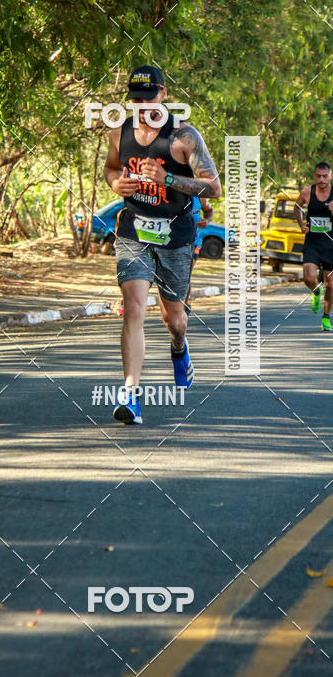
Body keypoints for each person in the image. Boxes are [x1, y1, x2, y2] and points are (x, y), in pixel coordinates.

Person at [103, 65, 221, 425]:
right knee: (135, 305)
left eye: (148, 97)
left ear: (163, 94)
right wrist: (115, 186)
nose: (141, 105)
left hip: (176, 234)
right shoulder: (118, 132)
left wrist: (169, 178)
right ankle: (130, 395)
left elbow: (213, 188)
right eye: (135, 100)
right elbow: (110, 168)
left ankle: (179, 348)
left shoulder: (184, 138)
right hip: (134, 230)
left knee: (174, 319)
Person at [294, 162, 333, 331]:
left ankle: (326, 318)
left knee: (331, 284)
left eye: (325, 176)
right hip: (313, 243)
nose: (322, 179)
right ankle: (316, 291)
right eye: (319, 176)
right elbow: (297, 207)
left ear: (330, 176)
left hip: (331, 245)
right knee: (309, 277)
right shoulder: (307, 192)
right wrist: (301, 224)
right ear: (314, 176)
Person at [184, 196, 213, 314]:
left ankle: (183, 306)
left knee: (186, 274)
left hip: (193, 241)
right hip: (171, 240)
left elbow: (209, 211)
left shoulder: (199, 197)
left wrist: (206, 220)